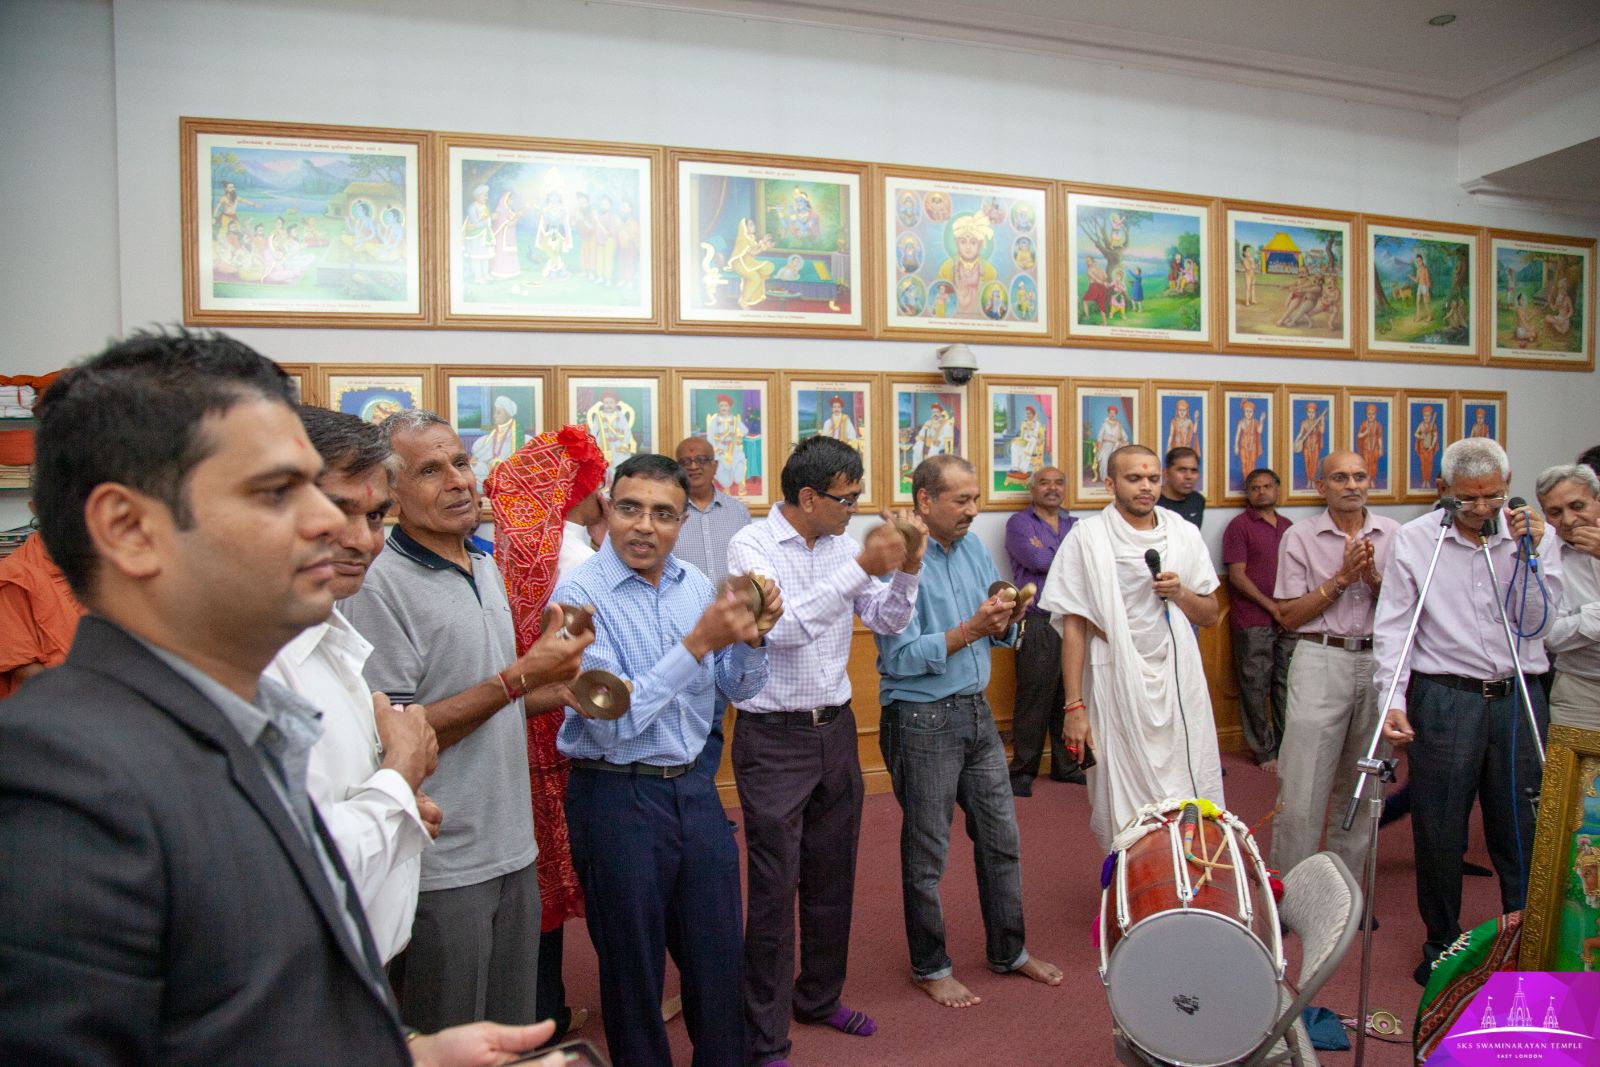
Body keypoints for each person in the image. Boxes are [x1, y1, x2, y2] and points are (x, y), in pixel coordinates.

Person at [0, 329, 569, 1066]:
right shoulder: (63, 778)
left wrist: (410, 1056)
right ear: (130, 529)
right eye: (276, 492)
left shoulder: (239, 714)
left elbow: (251, 1006)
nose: (335, 525)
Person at [342, 409, 593, 1032]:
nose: (457, 481)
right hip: (443, 863)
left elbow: (489, 702)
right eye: (430, 470)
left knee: (508, 1033)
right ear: (388, 491)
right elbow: (398, 736)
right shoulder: (377, 585)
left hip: (512, 846)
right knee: (448, 1036)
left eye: (460, 462)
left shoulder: (482, 564)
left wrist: (563, 689)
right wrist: (522, 676)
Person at [554, 453, 772, 1067]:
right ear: (607, 509)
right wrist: (698, 642)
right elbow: (613, 723)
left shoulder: (696, 586)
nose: (644, 526)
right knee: (633, 973)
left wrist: (752, 639)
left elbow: (740, 687)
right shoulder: (577, 598)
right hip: (614, 795)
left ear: (682, 522)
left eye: (662, 513)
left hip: (695, 792)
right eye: (630, 508)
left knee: (717, 959)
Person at [726, 435, 922, 1067]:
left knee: (833, 877)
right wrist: (863, 566)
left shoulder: (842, 545)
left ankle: (818, 997)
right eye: (845, 497)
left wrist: (909, 567)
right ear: (807, 496)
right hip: (773, 739)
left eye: (857, 495)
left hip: (835, 728)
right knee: (775, 886)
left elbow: (888, 622)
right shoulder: (751, 546)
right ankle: (765, 1037)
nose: (854, 507)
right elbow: (778, 630)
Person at [874, 455, 1062, 1009]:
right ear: (925, 502)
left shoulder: (976, 549)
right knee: (928, 853)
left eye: (977, 498)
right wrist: (970, 630)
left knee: (1003, 841)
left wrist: (1006, 622)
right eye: (962, 500)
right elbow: (901, 658)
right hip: (920, 720)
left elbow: (993, 635)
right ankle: (930, 966)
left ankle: (1010, 950)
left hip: (976, 713)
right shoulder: (898, 559)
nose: (974, 511)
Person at [1377, 437, 1563, 986]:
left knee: (1522, 824)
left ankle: (1524, 937)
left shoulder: (1529, 535)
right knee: (1438, 824)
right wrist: (1392, 700)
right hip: (1445, 697)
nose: (1483, 510)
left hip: (1518, 695)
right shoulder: (1416, 541)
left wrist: (1531, 555)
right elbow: (1394, 628)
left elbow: (1538, 622)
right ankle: (1442, 941)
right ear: (1443, 493)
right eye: (1468, 500)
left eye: (1494, 497)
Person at [263, 407, 441, 964]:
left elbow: (327, 806)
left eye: (376, 516)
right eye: (338, 511)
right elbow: (291, 870)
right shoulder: (254, 663)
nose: (363, 541)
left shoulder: (329, 637)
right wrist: (399, 775)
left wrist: (397, 803)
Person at [483, 425, 613, 1046]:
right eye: (596, 485)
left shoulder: (505, 547)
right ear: (577, 491)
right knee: (595, 863)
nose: (602, 497)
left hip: (517, 716)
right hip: (567, 718)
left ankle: (535, 1007)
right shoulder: (582, 559)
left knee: (529, 870)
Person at [1040, 445, 1224, 852]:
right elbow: (1074, 626)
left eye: (1153, 479)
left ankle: (1188, 882)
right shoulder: (1087, 537)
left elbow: (1210, 614)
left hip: (1178, 678)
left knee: (1188, 785)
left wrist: (1180, 594)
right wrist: (1074, 706)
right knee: (1117, 793)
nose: (1146, 487)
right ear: (1110, 483)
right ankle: (1130, 887)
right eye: (1134, 479)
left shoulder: (1184, 534)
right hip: (1112, 679)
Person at [1269, 451, 1399, 888]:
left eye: (1360, 476)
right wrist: (1343, 578)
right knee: (1303, 785)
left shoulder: (1395, 535)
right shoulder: (1300, 537)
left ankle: (1344, 894)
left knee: (1362, 788)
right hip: (1321, 658)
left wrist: (1375, 579)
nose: (1351, 485)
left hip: (1380, 661)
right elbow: (1288, 616)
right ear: (1320, 486)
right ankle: (1289, 891)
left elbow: (1410, 610)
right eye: (1340, 477)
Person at [1004, 466, 1086, 795]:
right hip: (1037, 620)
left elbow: (1084, 563)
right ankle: (1023, 769)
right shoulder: (1019, 523)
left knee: (1069, 695)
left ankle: (1066, 766)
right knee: (1034, 695)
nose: (1052, 488)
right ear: (1033, 489)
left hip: (1072, 620)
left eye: (1059, 482)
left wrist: (1056, 554)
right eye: (1044, 483)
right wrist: (1065, 556)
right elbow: (1037, 560)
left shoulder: (1074, 524)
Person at [1220, 468, 1293, 770]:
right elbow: (1236, 576)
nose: (1261, 492)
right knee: (1254, 686)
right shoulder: (1238, 526)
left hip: (1288, 618)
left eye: (1267, 487)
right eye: (1255, 488)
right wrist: (1270, 606)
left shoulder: (1288, 526)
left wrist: (1289, 609)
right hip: (1253, 619)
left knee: (1286, 685)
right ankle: (1264, 752)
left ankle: (1288, 747)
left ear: (1278, 489)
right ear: (1248, 493)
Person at [0, 490, 87, 699]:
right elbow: (23, 668)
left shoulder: (105, 565)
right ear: (36, 508)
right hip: (49, 706)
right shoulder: (14, 576)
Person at [1536, 464, 1600, 730]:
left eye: (1578, 506)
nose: (1569, 519)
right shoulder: (1542, 555)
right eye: (1555, 512)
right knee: (1574, 773)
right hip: (1579, 691)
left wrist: (1583, 619)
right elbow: (1551, 636)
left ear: (1597, 500)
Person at [674, 435, 753, 583]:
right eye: (685, 462)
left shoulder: (738, 512)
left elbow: (750, 561)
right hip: (684, 604)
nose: (693, 466)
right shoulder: (668, 514)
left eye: (701, 459)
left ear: (715, 465)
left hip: (733, 603)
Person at [469, 393, 521, 483]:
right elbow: (476, 458)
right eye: (495, 412)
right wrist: (483, 464)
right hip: (490, 471)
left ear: (508, 414)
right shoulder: (491, 436)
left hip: (507, 473)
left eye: (498, 412)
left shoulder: (518, 436)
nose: (494, 416)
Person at [705, 394, 750, 496]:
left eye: (726, 406)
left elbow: (745, 431)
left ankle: (739, 482)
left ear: (729, 407)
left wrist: (738, 436)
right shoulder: (715, 420)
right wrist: (716, 449)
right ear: (719, 407)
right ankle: (726, 486)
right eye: (721, 406)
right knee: (720, 466)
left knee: (738, 463)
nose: (724, 408)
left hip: (734, 448)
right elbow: (710, 437)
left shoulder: (735, 419)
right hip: (720, 448)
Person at [1155, 446, 1205, 528]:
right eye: (1182, 470)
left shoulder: (1197, 500)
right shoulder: (1152, 501)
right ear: (1166, 473)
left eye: (1194, 471)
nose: (1189, 476)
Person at [1294, 402, 1327, 491]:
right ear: (1307, 413)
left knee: (1314, 463)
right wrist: (1296, 441)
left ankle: (1313, 480)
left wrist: (1323, 421)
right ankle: (1309, 480)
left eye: (1313, 412)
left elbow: (1322, 431)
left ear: (1315, 413)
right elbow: (1300, 433)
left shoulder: (1318, 423)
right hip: (1306, 447)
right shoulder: (1304, 423)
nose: (1311, 414)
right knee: (1307, 463)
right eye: (1309, 412)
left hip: (1315, 446)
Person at [1007, 405, 1047, 478]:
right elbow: (1022, 436)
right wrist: (1015, 439)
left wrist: (1040, 440)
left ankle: (1023, 469)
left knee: (1030, 444)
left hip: (1033, 443)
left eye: (1029, 413)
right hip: (1024, 441)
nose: (1028, 415)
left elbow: (1042, 436)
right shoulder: (1024, 423)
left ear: (1033, 414)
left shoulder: (1038, 425)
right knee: (1014, 445)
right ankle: (1015, 468)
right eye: (1027, 414)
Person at [911, 402, 955, 467]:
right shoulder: (928, 422)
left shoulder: (946, 423)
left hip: (941, 443)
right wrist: (921, 438)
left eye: (937, 412)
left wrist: (939, 440)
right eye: (933, 412)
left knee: (934, 447)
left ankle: (930, 468)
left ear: (940, 413)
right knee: (918, 444)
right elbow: (922, 433)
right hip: (930, 441)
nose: (935, 414)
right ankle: (916, 467)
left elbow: (947, 435)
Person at [1234, 400, 1264, 488]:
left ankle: (1251, 482)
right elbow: (1237, 434)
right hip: (1243, 446)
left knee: (1252, 464)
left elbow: (1259, 431)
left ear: (1253, 412)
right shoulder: (1241, 422)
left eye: (1250, 411)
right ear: (1244, 412)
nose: (1248, 413)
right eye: (1246, 411)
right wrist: (1236, 446)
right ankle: (1246, 481)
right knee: (1244, 464)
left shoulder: (1255, 422)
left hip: (1253, 446)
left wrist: (1262, 421)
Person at [1095, 405, 1130, 481]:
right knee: (1104, 459)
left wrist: (1119, 441)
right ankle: (1105, 478)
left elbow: (1125, 437)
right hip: (1106, 445)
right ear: (1108, 413)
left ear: (1116, 414)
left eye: (1113, 413)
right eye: (1110, 413)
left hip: (1116, 446)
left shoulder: (1119, 425)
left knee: (1117, 460)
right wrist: (1099, 449)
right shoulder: (1104, 424)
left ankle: (1114, 478)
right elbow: (1100, 437)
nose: (1112, 414)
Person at [1413, 405, 1440, 491]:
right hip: (1422, 447)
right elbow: (1415, 434)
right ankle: (1423, 480)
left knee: (1429, 464)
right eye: (1425, 415)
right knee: (1423, 464)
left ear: (1431, 416)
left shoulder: (1433, 425)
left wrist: (1432, 445)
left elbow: (1435, 436)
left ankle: (1428, 480)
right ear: (1423, 416)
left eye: (1428, 416)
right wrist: (1421, 436)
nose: (1426, 417)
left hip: (1429, 448)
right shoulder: (1421, 425)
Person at [1357, 403, 1385, 482]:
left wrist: (1380, 449)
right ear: (1366, 414)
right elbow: (1359, 435)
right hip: (1366, 448)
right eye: (1369, 414)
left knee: (1374, 465)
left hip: (1375, 448)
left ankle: (1372, 480)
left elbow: (1379, 438)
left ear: (1375, 414)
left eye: (1373, 414)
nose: (1371, 416)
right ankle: (1366, 480)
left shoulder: (1378, 425)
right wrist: (1365, 433)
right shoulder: (1364, 424)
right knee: (1366, 464)